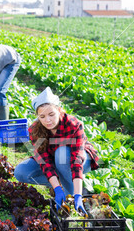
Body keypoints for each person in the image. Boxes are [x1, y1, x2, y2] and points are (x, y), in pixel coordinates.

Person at [14, 87, 99, 215]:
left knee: (62, 153)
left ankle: (73, 197)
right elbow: (44, 162)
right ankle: (62, 186)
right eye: (42, 116)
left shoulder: (73, 125)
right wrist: (57, 188)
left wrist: (76, 195)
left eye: (51, 114)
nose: (47, 120)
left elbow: (77, 160)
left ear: (59, 111)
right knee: (21, 172)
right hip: (54, 160)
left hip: (79, 160)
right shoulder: (34, 130)